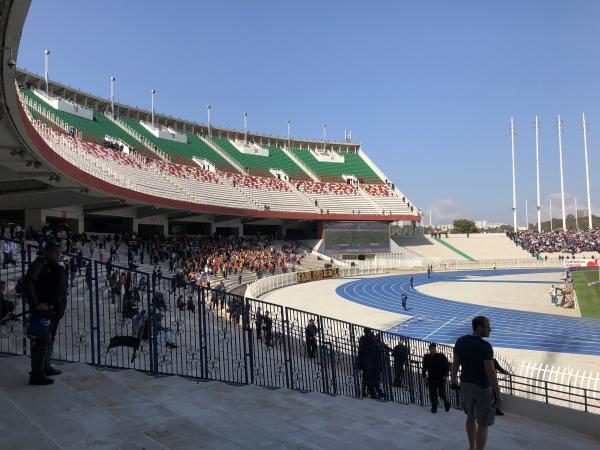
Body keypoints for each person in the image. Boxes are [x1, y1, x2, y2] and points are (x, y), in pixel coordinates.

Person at [451, 316, 503, 450]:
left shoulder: (460, 341)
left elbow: (455, 364)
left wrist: (453, 379)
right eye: (487, 326)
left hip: (465, 385)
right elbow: (491, 372)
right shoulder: (485, 347)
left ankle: (471, 447)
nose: (490, 329)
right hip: (482, 388)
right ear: (479, 327)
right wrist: (498, 393)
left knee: (470, 417)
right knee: (483, 423)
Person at [23, 241, 68, 385]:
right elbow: (27, 284)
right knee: (41, 340)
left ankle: (46, 367)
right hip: (43, 309)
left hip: (53, 309)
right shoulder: (39, 264)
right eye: (56, 251)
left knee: (50, 338)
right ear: (49, 252)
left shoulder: (53, 265)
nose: (59, 254)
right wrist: (37, 304)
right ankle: (36, 374)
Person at [421, 343, 451, 413]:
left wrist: (446, 375)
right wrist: (424, 377)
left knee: (441, 393)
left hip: (441, 378)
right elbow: (424, 368)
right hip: (431, 379)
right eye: (432, 349)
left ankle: (446, 403)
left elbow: (447, 365)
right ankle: (434, 407)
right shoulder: (426, 357)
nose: (433, 350)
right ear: (429, 350)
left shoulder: (441, 356)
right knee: (432, 393)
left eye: (434, 349)